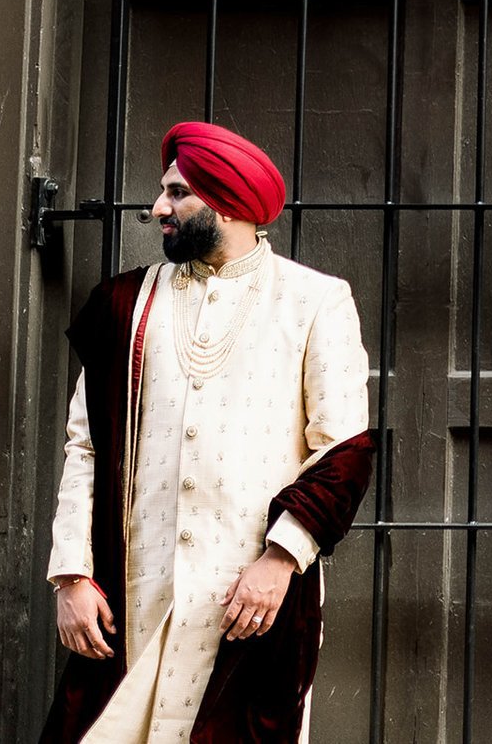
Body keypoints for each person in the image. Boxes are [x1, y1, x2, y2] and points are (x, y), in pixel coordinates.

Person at [41, 121, 375, 743]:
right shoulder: (123, 304)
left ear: (227, 200)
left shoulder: (314, 301)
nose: (157, 208)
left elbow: (344, 451)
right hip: (129, 593)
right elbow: (84, 446)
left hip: (247, 601)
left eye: (177, 193)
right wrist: (71, 576)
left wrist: (281, 560)